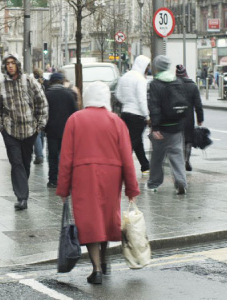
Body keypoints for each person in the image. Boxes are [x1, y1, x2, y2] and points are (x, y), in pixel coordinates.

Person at [56, 81, 141, 285]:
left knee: (90, 221)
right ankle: (103, 260)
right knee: (105, 219)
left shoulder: (75, 120)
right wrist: (131, 188)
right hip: (112, 176)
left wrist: (63, 188)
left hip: (83, 176)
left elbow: (66, 157)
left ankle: (96, 268)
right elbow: (127, 159)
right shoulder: (116, 121)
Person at [0, 54, 48, 211]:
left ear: (17, 65)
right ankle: (21, 197)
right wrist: (0, 126)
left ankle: (22, 189)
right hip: (10, 131)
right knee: (16, 163)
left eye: (12, 63)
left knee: (25, 162)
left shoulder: (29, 81)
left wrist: (40, 125)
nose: (10, 66)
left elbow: (42, 102)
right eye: (7, 63)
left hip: (30, 130)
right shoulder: (1, 86)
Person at [146, 55, 188, 194]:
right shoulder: (177, 81)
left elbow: (154, 107)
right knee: (177, 155)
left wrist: (155, 127)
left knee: (157, 157)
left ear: (157, 67)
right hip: (176, 125)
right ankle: (181, 181)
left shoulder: (155, 84)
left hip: (162, 127)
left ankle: (154, 184)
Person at [116, 55, 151, 175]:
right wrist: (147, 116)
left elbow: (118, 94)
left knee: (136, 140)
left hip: (125, 113)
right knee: (132, 142)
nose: (148, 69)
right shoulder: (140, 79)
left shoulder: (125, 77)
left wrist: (127, 102)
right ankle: (121, 166)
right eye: (147, 66)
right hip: (137, 115)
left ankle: (145, 165)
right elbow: (142, 100)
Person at [43, 72, 78, 188]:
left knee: (52, 156)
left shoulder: (46, 95)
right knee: (66, 156)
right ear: (62, 81)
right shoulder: (69, 94)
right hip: (66, 131)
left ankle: (53, 179)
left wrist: (45, 128)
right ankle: (67, 179)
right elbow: (75, 112)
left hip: (52, 130)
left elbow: (43, 113)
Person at [175, 65, 204, 172]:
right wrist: (200, 118)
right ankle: (186, 159)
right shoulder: (192, 86)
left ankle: (180, 160)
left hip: (176, 117)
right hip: (188, 118)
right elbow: (198, 104)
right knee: (188, 139)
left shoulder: (173, 85)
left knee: (178, 139)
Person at [32, 68, 48, 164]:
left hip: (35, 111)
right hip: (44, 111)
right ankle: (40, 152)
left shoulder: (33, 83)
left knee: (36, 134)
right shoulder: (46, 83)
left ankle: (39, 155)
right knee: (41, 133)